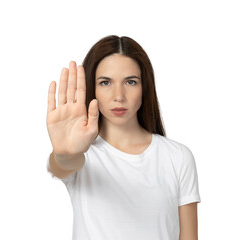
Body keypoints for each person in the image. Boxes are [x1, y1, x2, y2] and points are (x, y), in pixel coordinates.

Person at [46, 35, 201, 240]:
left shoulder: (177, 157)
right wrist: (65, 153)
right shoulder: (84, 154)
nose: (119, 95)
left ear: (144, 87)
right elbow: (62, 164)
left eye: (130, 81)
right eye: (105, 82)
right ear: (93, 88)